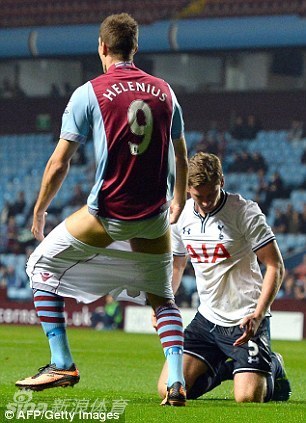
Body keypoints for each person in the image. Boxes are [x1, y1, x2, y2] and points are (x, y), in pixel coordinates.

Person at [16, 13, 188, 406]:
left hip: (107, 214)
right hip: (154, 218)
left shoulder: (88, 93)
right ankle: (176, 383)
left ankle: (61, 362)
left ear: (103, 48)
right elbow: (180, 152)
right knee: (163, 299)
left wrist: (40, 209)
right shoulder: (165, 91)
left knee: (40, 266)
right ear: (136, 48)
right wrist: (178, 198)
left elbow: (60, 162)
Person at [157, 152, 291, 403]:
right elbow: (177, 266)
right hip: (206, 319)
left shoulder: (244, 212)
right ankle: (227, 368)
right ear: (187, 189)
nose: (206, 202)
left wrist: (259, 313)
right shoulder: (179, 217)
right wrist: (164, 303)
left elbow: (275, 266)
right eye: (199, 196)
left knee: (248, 398)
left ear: (222, 181)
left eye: (211, 194)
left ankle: (273, 365)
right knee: (169, 388)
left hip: (245, 317)